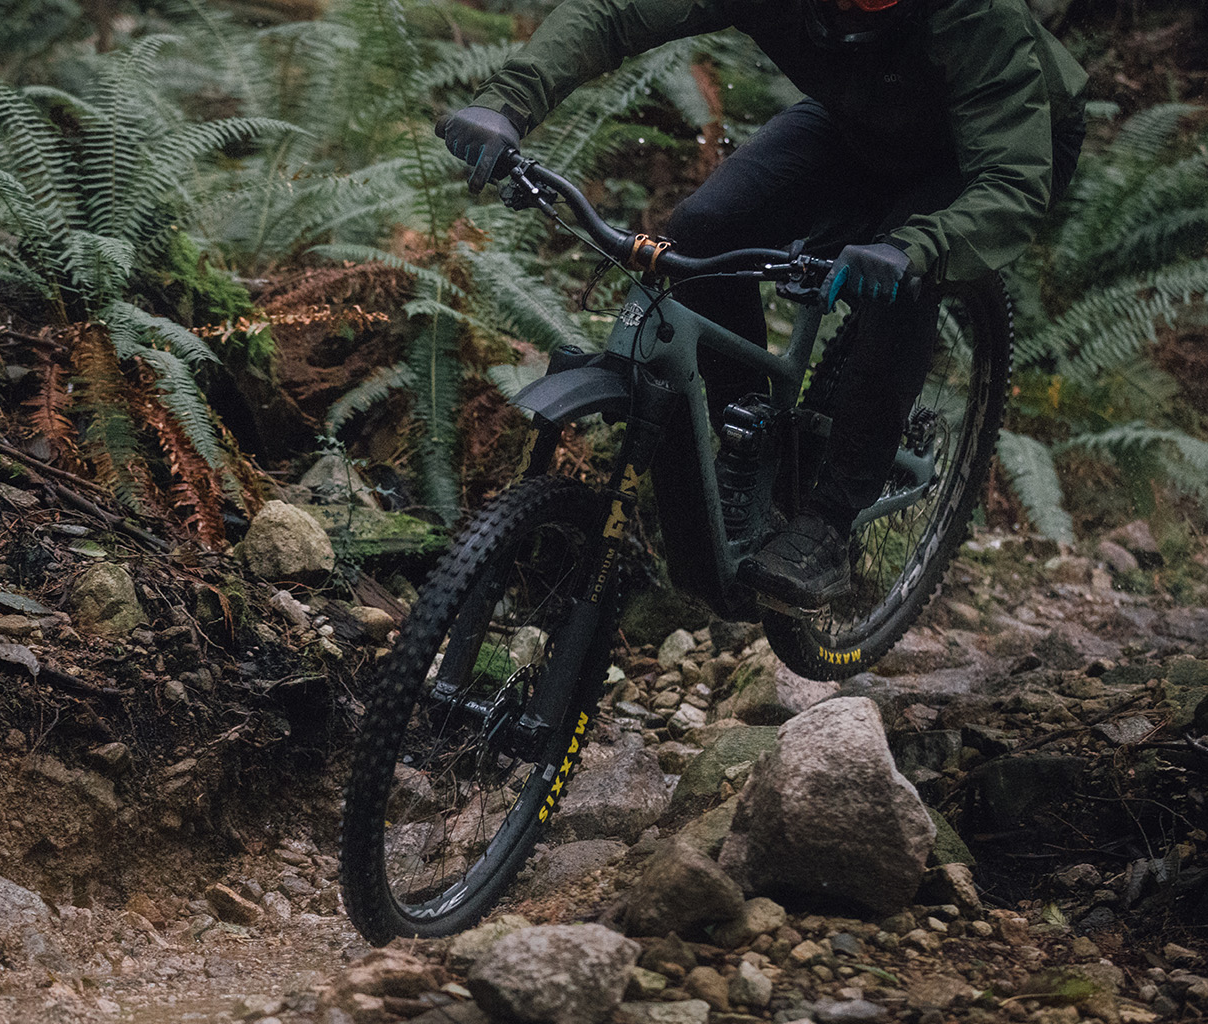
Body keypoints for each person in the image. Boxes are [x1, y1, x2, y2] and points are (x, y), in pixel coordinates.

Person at [438, 0, 1087, 609]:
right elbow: (615, 13)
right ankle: (754, 455)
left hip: (995, 156)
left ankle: (828, 526)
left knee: (902, 280)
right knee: (702, 232)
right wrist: (508, 104)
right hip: (861, 117)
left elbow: (1012, 181)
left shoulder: (975, 16)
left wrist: (916, 249)